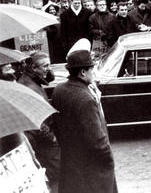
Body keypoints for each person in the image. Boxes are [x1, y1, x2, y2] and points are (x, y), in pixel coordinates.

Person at [52, 49, 117, 193]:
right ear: (83, 72)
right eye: (91, 69)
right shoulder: (86, 99)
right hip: (91, 168)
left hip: (70, 162)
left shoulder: (59, 90)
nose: (93, 73)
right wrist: (109, 160)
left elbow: (56, 124)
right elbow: (97, 140)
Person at [17, 52, 60, 191]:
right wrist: (51, 137)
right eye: (45, 66)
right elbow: (35, 119)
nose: (49, 68)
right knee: (56, 175)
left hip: (41, 139)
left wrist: (47, 73)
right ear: (34, 68)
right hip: (44, 141)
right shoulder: (29, 86)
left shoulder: (32, 80)